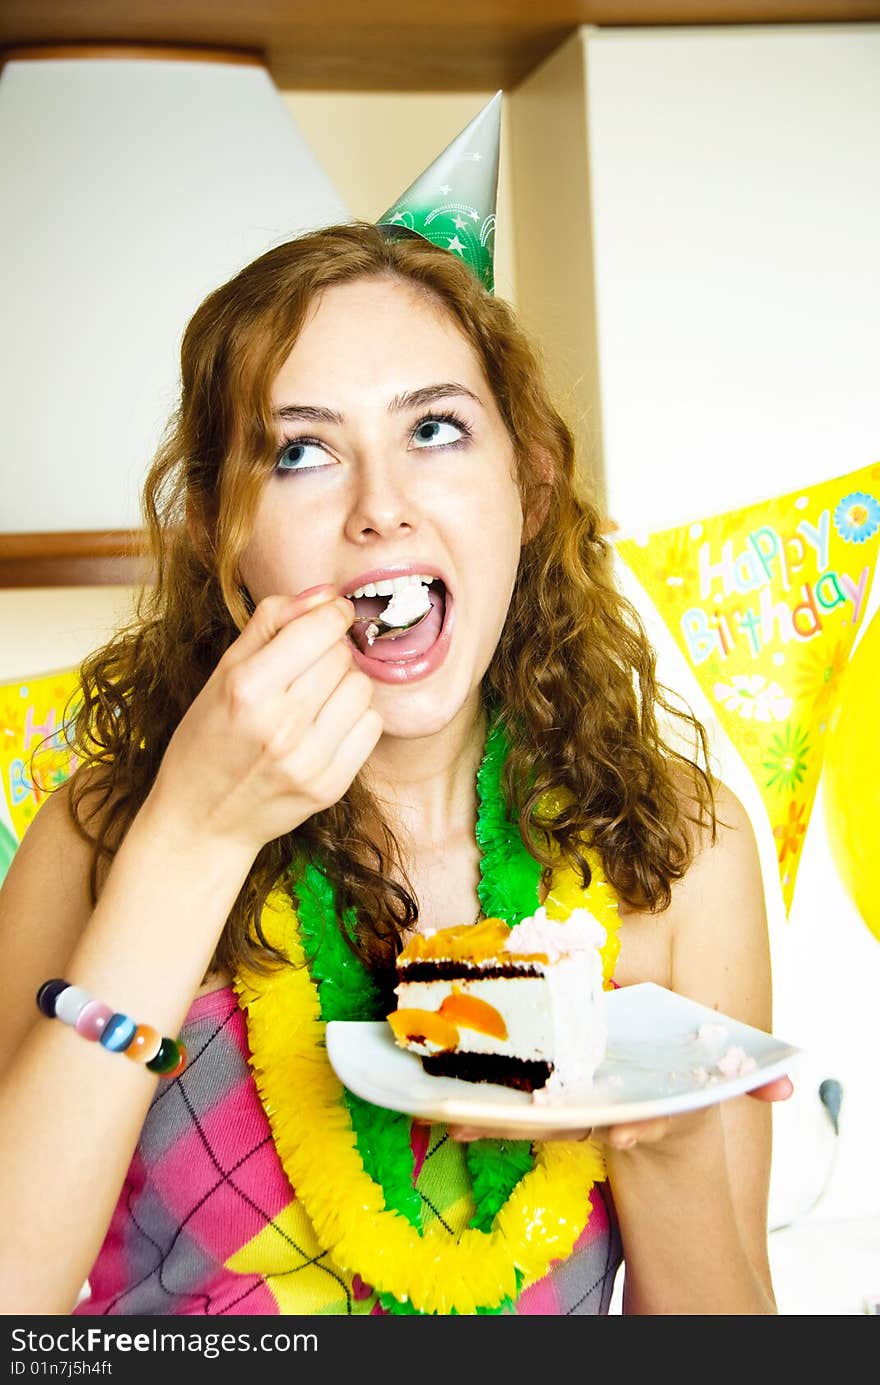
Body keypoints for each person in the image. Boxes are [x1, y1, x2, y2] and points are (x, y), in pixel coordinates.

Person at [0, 202, 791, 1316]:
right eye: (302, 451)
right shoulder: (103, 833)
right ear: (219, 531)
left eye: (434, 428)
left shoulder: (679, 846)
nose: (379, 509)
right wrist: (193, 835)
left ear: (531, 480)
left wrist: (660, 1140)